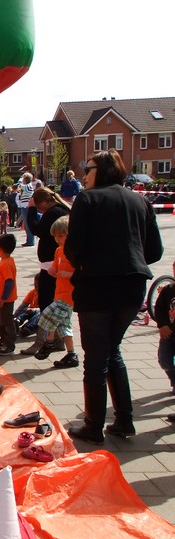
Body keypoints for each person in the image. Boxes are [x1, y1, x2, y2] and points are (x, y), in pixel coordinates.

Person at [65, 149, 163, 443]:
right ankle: (123, 420)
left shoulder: (87, 199)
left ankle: (93, 425)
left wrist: (89, 261)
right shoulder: (140, 200)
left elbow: (73, 249)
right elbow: (154, 251)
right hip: (132, 286)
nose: (83, 175)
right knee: (112, 350)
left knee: (96, 358)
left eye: (88, 169)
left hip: (98, 287)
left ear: (104, 170)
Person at [21, 186, 71, 355]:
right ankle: (58, 340)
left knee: (47, 304)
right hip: (54, 262)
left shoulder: (53, 213)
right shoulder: (62, 209)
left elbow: (38, 230)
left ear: (43, 202)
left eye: (38, 205)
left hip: (52, 264)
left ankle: (43, 342)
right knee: (57, 306)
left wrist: (31, 210)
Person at [33, 216, 79, 368]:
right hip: (59, 293)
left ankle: (49, 342)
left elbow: (83, 273)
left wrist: (69, 274)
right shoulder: (59, 251)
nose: (58, 239)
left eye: (61, 236)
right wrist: (52, 270)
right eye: (55, 236)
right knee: (64, 325)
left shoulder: (74, 253)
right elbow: (55, 267)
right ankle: (71, 354)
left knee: (47, 314)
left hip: (69, 295)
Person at [153, 260, 175, 423]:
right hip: (169, 334)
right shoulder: (168, 290)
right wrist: (162, 325)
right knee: (164, 360)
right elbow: (159, 308)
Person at [0, 233, 18, 354]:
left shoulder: (7, 263)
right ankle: (3, 340)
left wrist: (3, 298)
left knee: (7, 321)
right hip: (0, 297)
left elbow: (9, 283)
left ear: (0, 249)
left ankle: (9, 344)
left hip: (6, 299)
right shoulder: (5, 261)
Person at [17, 172, 35, 246]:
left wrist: (20, 179)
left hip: (26, 206)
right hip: (25, 206)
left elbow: (19, 185)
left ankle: (30, 241)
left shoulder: (27, 186)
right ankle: (29, 240)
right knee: (26, 224)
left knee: (27, 224)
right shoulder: (28, 186)